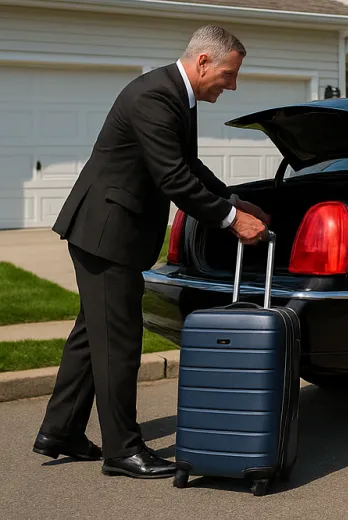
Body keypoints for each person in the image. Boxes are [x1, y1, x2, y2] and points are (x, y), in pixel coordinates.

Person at [35, 26, 270, 479]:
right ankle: (122, 450)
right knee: (119, 344)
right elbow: (174, 180)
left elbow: (189, 165)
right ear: (203, 61)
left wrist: (234, 199)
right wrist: (230, 220)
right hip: (107, 234)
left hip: (112, 232)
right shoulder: (154, 97)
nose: (233, 84)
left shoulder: (177, 96)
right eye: (229, 73)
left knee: (92, 338)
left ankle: (59, 429)